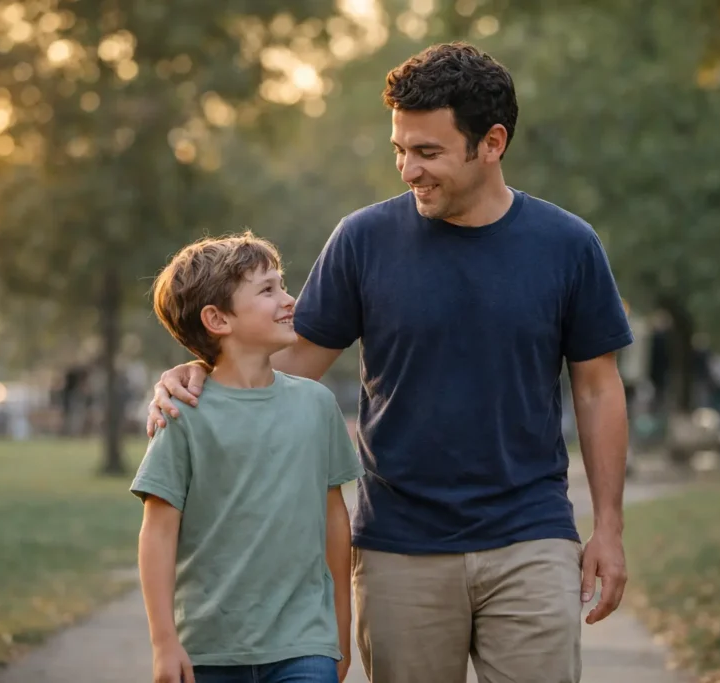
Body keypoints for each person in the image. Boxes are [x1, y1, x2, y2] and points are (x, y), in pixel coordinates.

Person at [146, 42, 633, 683]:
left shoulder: (567, 245)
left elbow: (598, 388)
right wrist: (197, 372)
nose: (407, 169)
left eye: (427, 152)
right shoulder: (363, 240)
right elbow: (287, 367)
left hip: (531, 535)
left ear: (491, 143)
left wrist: (609, 528)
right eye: (400, 150)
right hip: (399, 544)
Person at [131, 233, 364, 683]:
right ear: (217, 319)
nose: (289, 299)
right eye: (268, 290)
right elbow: (157, 535)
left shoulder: (316, 404)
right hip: (209, 650)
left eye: (283, 285)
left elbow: (336, 521)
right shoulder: (183, 415)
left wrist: (340, 628)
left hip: (304, 644)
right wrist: (164, 642)